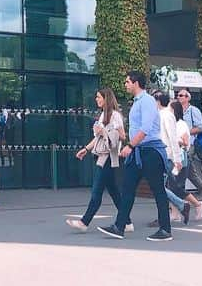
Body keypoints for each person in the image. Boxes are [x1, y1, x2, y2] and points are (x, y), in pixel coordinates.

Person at [97, 71, 173, 242]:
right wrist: (132, 146)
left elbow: (145, 129)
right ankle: (119, 226)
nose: (125, 84)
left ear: (136, 83)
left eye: (127, 82)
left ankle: (165, 229)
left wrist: (130, 146)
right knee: (128, 188)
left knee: (158, 190)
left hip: (150, 151)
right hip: (139, 151)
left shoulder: (146, 101)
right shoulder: (138, 102)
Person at [67, 87, 125, 231]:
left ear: (106, 99)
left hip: (108, 157)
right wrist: (86, 149)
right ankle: (127, 221)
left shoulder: (115, 115)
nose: (96, 99)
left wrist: (104, 131)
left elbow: (122, 136)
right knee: (114, 192)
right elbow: (97, 138)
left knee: (97, 191)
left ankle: (84, 222)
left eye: (99, 97)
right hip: (101, 155)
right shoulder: (103, 115)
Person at [156, 92, 200, 225]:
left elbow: (175, 140)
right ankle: (177, 209)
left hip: (170, 156)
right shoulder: (161, 116)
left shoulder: (172, 119)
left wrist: (177, 159)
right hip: (166, 155)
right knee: (165, 186)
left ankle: (183, 207)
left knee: (169, 186)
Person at [177, 88, 202, 205]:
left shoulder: (194, 111)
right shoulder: (177, 110)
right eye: (178, 95)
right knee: (190, 172)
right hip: (181, 144)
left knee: (182, 171)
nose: (179, 97)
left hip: (191, 144)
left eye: (182, 95)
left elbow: (200, 127)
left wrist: (186, 132)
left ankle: (178, 197)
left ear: (188, 98)